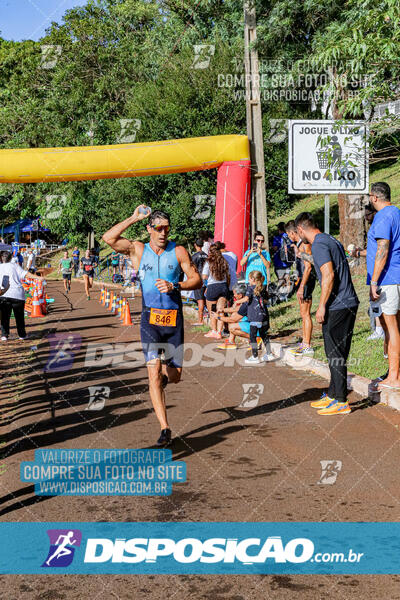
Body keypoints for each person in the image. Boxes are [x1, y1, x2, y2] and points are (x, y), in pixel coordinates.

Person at [102, 205, 202, 446]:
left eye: (167, 228)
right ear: (149, 229)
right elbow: (108, 238)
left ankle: (165, 379)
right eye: (158, 228)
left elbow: (197, 279)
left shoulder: (178, 251)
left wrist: (175, 286)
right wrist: (133, 217)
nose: (163, 232)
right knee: (153, 373)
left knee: (174, 376)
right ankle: (165, 428)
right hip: (150, 320)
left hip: (173, 319)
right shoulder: (137, 250)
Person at [295, 212, 359, 415]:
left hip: (338, 305)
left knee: (335, 354)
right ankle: (333, 394)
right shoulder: (329, 239)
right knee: (336, 353)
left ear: (300, 230)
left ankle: (341, 401)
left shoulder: (319, 244)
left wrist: (321, 305)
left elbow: (328, 274)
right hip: (346, 303)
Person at [367, 182, 400, 390]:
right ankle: (394, 372)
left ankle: (394, 378)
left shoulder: (382, 216)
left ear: (374, 197)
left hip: (387, 279)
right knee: (394, 326)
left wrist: (373, 281)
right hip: (395, 276)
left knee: (391, 328)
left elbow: (383, 248)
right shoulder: (396, 212)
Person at [285, 220, 316, 356]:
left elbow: (308, 266)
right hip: (302, 279)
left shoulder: (304, 244)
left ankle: (307, 345)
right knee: (303, 314)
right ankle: (304, 341)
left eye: (288, 234)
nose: (288, 237)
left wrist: (302, 286)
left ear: (293, 233)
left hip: (307, 281)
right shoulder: (298, 245)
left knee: (306, 313)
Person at [0, 250, 44, 340]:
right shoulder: (15, 266)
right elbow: (26, 274)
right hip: (17, 294)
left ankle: (4, 335)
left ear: (1, 258)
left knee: (4, 316)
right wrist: (39, 277)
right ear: (11, 258)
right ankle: (22, 335)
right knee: (19, 316)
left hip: (4, 294)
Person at [202, 243, 230, 340]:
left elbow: (204, 276)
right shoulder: (224, 261)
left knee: (213, 311)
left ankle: (214, 331)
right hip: (223, 286)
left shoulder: (208, 262)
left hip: (213, 288)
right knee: (220, 310)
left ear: (210, 252)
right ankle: (219, 332)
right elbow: (228, 275)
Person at [191, 238, 208, 325]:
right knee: (206, 299)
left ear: (195, 245)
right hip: (207, 279)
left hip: (198, 280)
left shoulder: (194, 256)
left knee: (200, 300)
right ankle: (205, 316)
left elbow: (192, 269)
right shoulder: (206, 255)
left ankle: (200, 320)